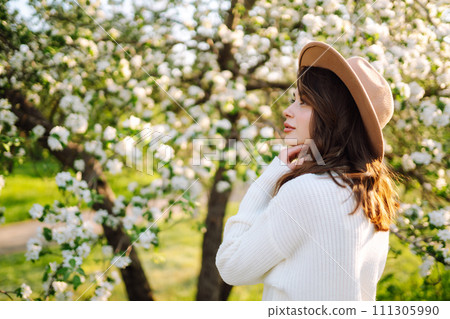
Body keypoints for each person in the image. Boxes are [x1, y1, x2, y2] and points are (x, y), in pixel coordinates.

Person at [215, 41, 401, 301]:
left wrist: (268, 178)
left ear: (333, 115)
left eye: (303, 102)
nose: (287, 111)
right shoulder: (374, 197)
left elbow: (231, 267)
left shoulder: (306, 192)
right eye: (293, 100)